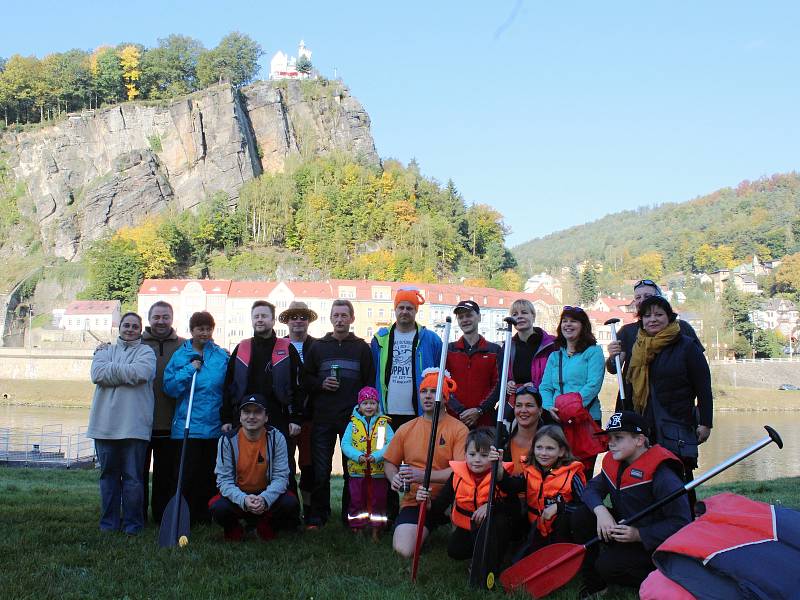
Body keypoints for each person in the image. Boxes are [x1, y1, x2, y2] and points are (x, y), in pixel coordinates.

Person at [573, 411, 690, 597]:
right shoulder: (616, 462)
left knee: (608, 566)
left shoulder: (663, 475)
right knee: (581, 515)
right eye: (609, 437)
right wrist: (601, 512)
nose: (610, 443)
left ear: (639, 440)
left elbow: (682, 523)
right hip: (624, 531)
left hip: (655, 543)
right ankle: (594, 583)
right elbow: (590, 490)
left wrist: (639, 534)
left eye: (618, 438)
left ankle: (664, 576)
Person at [626, 295, 712, 506]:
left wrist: (706, 422)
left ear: (670, 317)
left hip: (677, 423)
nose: (652, 319)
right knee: (647, 479)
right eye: (647, 316)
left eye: (658, 314)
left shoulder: (686, 346)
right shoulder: (638, 348)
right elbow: (629, 388)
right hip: (646, 424)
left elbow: (703, 386)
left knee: (680, 477)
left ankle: (687, 521)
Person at [302, 299, 375, 529]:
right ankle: (318, 514)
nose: (340, 320)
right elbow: (305, 379)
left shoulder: (362, 348)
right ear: (331, 318)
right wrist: (321, 383)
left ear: (352, 319)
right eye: (336, 315)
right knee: (321, 470)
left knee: (351, 469)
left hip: (352, 419)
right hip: (323, 417)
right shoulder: (318, 347)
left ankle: (349, 514)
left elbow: (369, 383)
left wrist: (365, 413)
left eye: (344, 315)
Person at [383, 368, 469, 558]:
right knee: (403, 551)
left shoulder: (459, 430)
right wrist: (394, 477)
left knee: (461, 547)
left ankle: (449, 523)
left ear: (445, 398)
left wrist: (423, 476)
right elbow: (390, 462)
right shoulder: (406, 429)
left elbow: (461, 471)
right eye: (424, 391)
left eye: (434, 392)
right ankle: (424, 528)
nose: (428, 396)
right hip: (416, 500)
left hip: (450, 500)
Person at [87, 312, 156, 534]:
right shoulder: (105, 350)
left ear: (140, 330)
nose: (130, 329)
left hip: (134, 427)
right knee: (108, 478)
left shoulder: (146, 352)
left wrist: (112, 370)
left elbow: (142, 373)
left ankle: (132, 525)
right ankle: (109, 524)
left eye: (135, 326)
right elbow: (97, 374)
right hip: (104, 427)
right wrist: (126, 372)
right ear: (119, 327)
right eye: (126, 325)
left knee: (133, 479)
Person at [222, 300, 302, 494]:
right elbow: (229, 386)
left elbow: (299, 386)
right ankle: (244, 509)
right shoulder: (241, 347)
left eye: (264, 316)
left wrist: (295, 418)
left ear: (273, 320)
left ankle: (287, 512)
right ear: (251, 320)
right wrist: (226, 418)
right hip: (246, 416)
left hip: (279, 416)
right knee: (243, 464)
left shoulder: (287, 348)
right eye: (256, 316)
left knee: (284, 466)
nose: (260, 320)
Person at [163, 310, 229, 524]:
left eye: (208, 329)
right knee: (186, 475)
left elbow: (229, 387)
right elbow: (170, 388)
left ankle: (206, 515)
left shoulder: (221, 356)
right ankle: (182, 515)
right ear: (192, 330)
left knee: (210, 475)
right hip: (187, 426)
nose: (204, 333)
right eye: (200, 328)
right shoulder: (181, 356)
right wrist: (189, 370)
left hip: (213, 427)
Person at [416, 428, 514, 566]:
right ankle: (479, 553)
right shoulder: (456, 475)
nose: (477, 460)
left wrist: (491, 506)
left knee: (499, 521)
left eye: (484, 455)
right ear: (465, 455)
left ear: (494, 456)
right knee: (455, 550)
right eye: (472, 454)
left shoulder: (500, 476)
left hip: (495, 525)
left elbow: (513, 508)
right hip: (469, 526)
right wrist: (427, 504)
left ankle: (496, 556)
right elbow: (440, 506)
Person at [209, 393, 300, 541]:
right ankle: (234, 529)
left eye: (257, 412)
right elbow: (224, 481)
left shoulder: (277, 438)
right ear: (240, 417)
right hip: (239, 495)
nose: (251, 416)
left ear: (266, 417)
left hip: (266, 494)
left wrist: (264, 499)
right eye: (246, 412)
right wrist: (244, 500)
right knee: (217, 507)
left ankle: (265, 525)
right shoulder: (226, 440)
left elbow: (281, 478)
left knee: (290, 503)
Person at [493, 425, 585, 560]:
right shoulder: (530, 470)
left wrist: (558, 507)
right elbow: (511, 487)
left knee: (563, 520)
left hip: (561, 529)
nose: (543, 453)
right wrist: (500, 473)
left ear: (561, 451)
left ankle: (564, 555)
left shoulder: (572, 476)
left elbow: (584, 506)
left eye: (550, 448)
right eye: (539, 447)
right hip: (536, 525)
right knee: (520, 563)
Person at [607, 278, 703, 406]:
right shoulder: (627, 331)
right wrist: (613, 357)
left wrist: (702, 415)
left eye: (647, 296)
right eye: (638, 297)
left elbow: (700, 372)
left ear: (660, 299)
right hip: (633, 403)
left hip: (674, 405)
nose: (642, 300)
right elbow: (614, 369)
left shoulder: (682, 328)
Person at [539, 306, 605, 477]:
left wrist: (572, 409)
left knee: (583, 469)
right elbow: (545, 386)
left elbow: (593, 385)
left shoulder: (593, 352)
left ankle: (583, 502)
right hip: (557, 418)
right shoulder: (555, 356)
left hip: (585, 417)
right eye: (565, 321)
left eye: (573, 321)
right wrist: (547, 406)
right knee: (558, 470)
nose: (568, 325)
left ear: (583, 326)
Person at [371, 287, 443, 429]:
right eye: (401, 307)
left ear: (416, 310)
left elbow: (441, 374)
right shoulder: (380, 339)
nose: (404, 311)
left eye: (409, 308)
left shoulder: (431, 340)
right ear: (395, 309)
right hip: (384, 414)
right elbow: (373, 373)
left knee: (415, 451)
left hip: (420, 412)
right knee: (383, 450)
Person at [140, 300, 184, 523]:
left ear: (172, 318)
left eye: (165, 317)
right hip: (139, 424)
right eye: (157, 317)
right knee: (137, 476)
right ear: (149, 319)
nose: (161, 321)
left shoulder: (184, 345)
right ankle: (137, 517)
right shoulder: (136, 342)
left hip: (171, 424)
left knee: (165, 477)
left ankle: (162, 517)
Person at [278, 300, 318, 523]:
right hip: (285, 415)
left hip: (311, 415)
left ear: (308, 321)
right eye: (294, 317)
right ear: (287, 321)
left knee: (309, 466)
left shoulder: (318, 346)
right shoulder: (278, 346)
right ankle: (289, 511)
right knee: (285, 466)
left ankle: (311, 511)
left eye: (303, 317)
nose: (298, 321)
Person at [340, 386, 394, 539]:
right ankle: (358, 528)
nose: (369, 406)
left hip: (378, 472)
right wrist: (358, 456)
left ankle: (376, 530)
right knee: (357, 500)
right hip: (357, 471)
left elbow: (391, 443)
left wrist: (377, 456)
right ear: (359, 406)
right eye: (365, 403)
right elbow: (345, 444)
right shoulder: (353, 424)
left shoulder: (384, 424)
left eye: (372, 403)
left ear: (377, 405)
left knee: (378, 500)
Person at [445, 300, 500, 429]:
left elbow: (498, 385)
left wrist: (480, 410)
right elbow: (443, 384)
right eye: (461, 317)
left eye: (469, 315)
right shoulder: (448, 350)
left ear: (479, 317)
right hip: (455, 421)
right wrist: (460, 411)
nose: (465, 320)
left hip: (485, 422)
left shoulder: (494, 351)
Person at [497, 299, 558, 402]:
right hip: (518, 402)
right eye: (515, 314)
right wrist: (508, 383)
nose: (519, 316)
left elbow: (558, 375)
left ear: (533, 316)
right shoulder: (508, 346)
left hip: (545, 401)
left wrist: (536, 385)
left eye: (524, 312)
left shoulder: (552, 344)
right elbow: (502, 375)